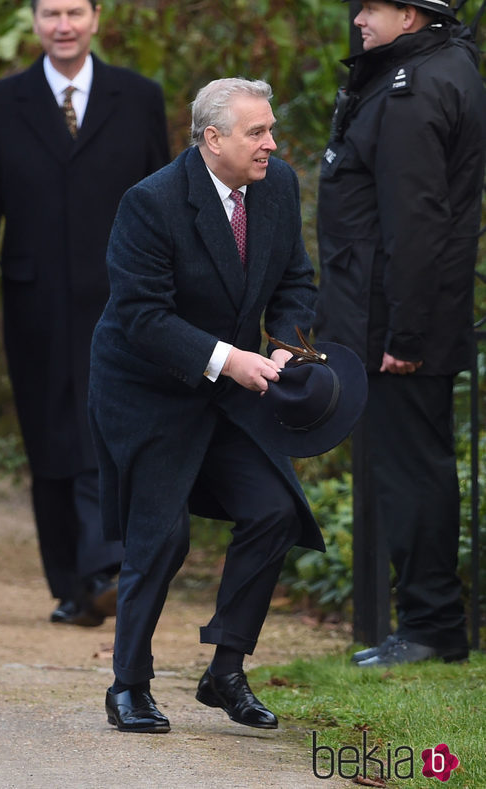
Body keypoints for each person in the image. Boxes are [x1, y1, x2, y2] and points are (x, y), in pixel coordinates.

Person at [88, 78, 321, 733]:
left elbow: (297, 281)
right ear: (212, 138)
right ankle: (128, 684)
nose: (271, 143)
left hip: (233, 382)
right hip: (146, 388)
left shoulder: (276, 186)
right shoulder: (151, 201)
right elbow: (141, 315)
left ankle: (225, 671)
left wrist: (283, 349)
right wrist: (229, 357)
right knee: (162, 535)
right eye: (257, 132)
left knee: (275, 510)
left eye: (271, 129)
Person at [0, 0, 170, 627]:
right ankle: (72, 584)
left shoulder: (139, 97)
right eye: (51, 13)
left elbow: (164, 203)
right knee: (48, 437)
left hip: (125, 303)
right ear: (34, 21)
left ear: (97, 18)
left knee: (105, 427)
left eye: (75, 11)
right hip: (34, 305)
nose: (64, 24)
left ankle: (109, 564)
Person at [314, 0, 486, 667]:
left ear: (411, 15)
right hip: (393, 317)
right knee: (412, 467)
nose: (359, 18)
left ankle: (430, 626)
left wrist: (406, 335)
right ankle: (427, 620)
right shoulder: (421, 72)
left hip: (399, 325)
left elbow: (416, 222)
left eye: (372, 7)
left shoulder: (417, 88)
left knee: (412, 471)